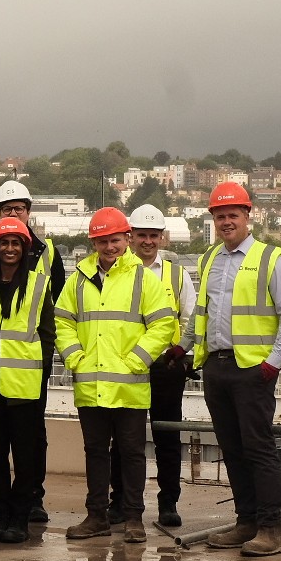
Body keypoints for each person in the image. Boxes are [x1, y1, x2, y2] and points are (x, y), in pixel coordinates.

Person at [171, 182, 281, 556]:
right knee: (231, 447)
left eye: (232, 215)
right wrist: (185, 344)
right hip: (217, 366)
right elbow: (202, 313)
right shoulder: (210, 259)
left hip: (252, 370)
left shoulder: (269, 259)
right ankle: (246, 521)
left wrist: (272, 362)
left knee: (258, 448)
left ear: (248, 217)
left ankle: (271, 529)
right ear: (212, 219)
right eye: (219, 216)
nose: (226, 221)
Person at [56, 208, 178, 544]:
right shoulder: (78, 280)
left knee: (132, 452)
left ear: (126, 239)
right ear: (93, 243)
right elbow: (63, 322)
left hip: (129, 385)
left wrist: (137, 360)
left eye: (115, 240)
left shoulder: (143, 279)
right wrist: (75, 358)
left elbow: (164, 324)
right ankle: (96, 516)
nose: (110, 247)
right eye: (103, 241)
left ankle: (133, 517)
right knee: (95, 451)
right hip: (90, 382)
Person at [0, 179, 65, 525]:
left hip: (27, 371)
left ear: (29, 211)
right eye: (7, 209)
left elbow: (55, 316)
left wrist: (42, 365)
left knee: (30, 442)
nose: (13, 213)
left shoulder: (47, 253)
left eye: (18, 208)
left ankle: (30, 501)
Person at [108, 204, 197, 527]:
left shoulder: (176, 274)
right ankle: (119, 501)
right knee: (122, 439)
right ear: (130, 237)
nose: (147, 241)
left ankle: (168, 502)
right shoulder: (118, 271)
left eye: (153, 236)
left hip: (165, 366)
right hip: (127, 366)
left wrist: (182, 354)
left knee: (167, 437)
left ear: (162, 238)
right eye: (142, 235)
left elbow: (190, 318)